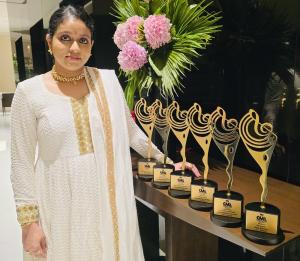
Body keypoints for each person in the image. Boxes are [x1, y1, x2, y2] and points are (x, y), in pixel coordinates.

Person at [10, 5, 200, 261]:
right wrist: (28, 223)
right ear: (49, 41)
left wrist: (165, 161)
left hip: (104, 199)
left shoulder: (107, 82)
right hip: (59, 202)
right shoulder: (28, 92)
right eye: (65, 38)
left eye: (82, 40)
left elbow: (130, 132)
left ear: (91, 45)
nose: (74, 48)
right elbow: (20, 163)